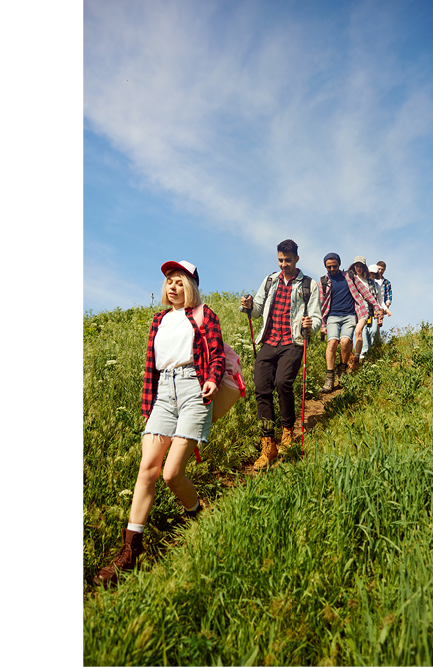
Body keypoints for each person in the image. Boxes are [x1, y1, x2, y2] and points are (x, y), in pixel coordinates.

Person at [94, 260, 225, 587]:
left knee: (171, 474)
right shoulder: (158, 321)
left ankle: (197, 514)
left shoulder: (204, 315)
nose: (173, 287)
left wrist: (212, 378)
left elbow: (217, 353)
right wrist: (150, 403)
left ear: (191, 286)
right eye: (169, 281)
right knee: (147, 469)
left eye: (180, 281)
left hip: (194, 389)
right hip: (164, 393)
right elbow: (153, 366)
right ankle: (130, 550)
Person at [240, 239, 321, 470]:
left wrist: (309, 324)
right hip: (269, 340)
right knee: (261, 388)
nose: (283, 264)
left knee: (283, 382)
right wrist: (247, 305)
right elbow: (255, 311)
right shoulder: (269, 281)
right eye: (280, 260)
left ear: (296, 258)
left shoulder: (308, 284)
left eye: (287, 260)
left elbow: (316, 318)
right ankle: (268, 445)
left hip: (293, 341)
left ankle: (287, 431)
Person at [319, 253, 383, 393]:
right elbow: (322, 304)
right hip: (332, 317)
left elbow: (365, 293)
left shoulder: (349, 276)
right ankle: (330, 377)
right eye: (328, 266)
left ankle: (342, 370)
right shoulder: (324, 281)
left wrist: (377, 307)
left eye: (334, 266)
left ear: (339, 264)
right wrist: (323, 324)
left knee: (345, 342)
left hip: (349, 315)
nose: (332, 268)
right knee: (332, 343)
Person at [346, 256, 380, 364]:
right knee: (355, 331)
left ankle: (361, 353)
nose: (359, 268)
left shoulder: (369, 281)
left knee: (365, 330)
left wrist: (377, 309)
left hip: (366, 307)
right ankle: (355, 355)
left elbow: (372, 296)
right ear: (354, 266)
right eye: (357, 266)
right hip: (352, 306)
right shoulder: (350, 277)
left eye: (361, 266)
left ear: (364, 267)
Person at [369, 263, 392, 335]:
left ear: (384, 270)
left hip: (380, 306)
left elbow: (388, 294)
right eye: (379, 269)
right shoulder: (371, 280)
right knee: (367, 324)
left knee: (377, 325)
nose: (380, 271)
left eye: (382, 269)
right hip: (370, 305)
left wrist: (387, 306)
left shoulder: (386, 282)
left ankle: (376, 343)